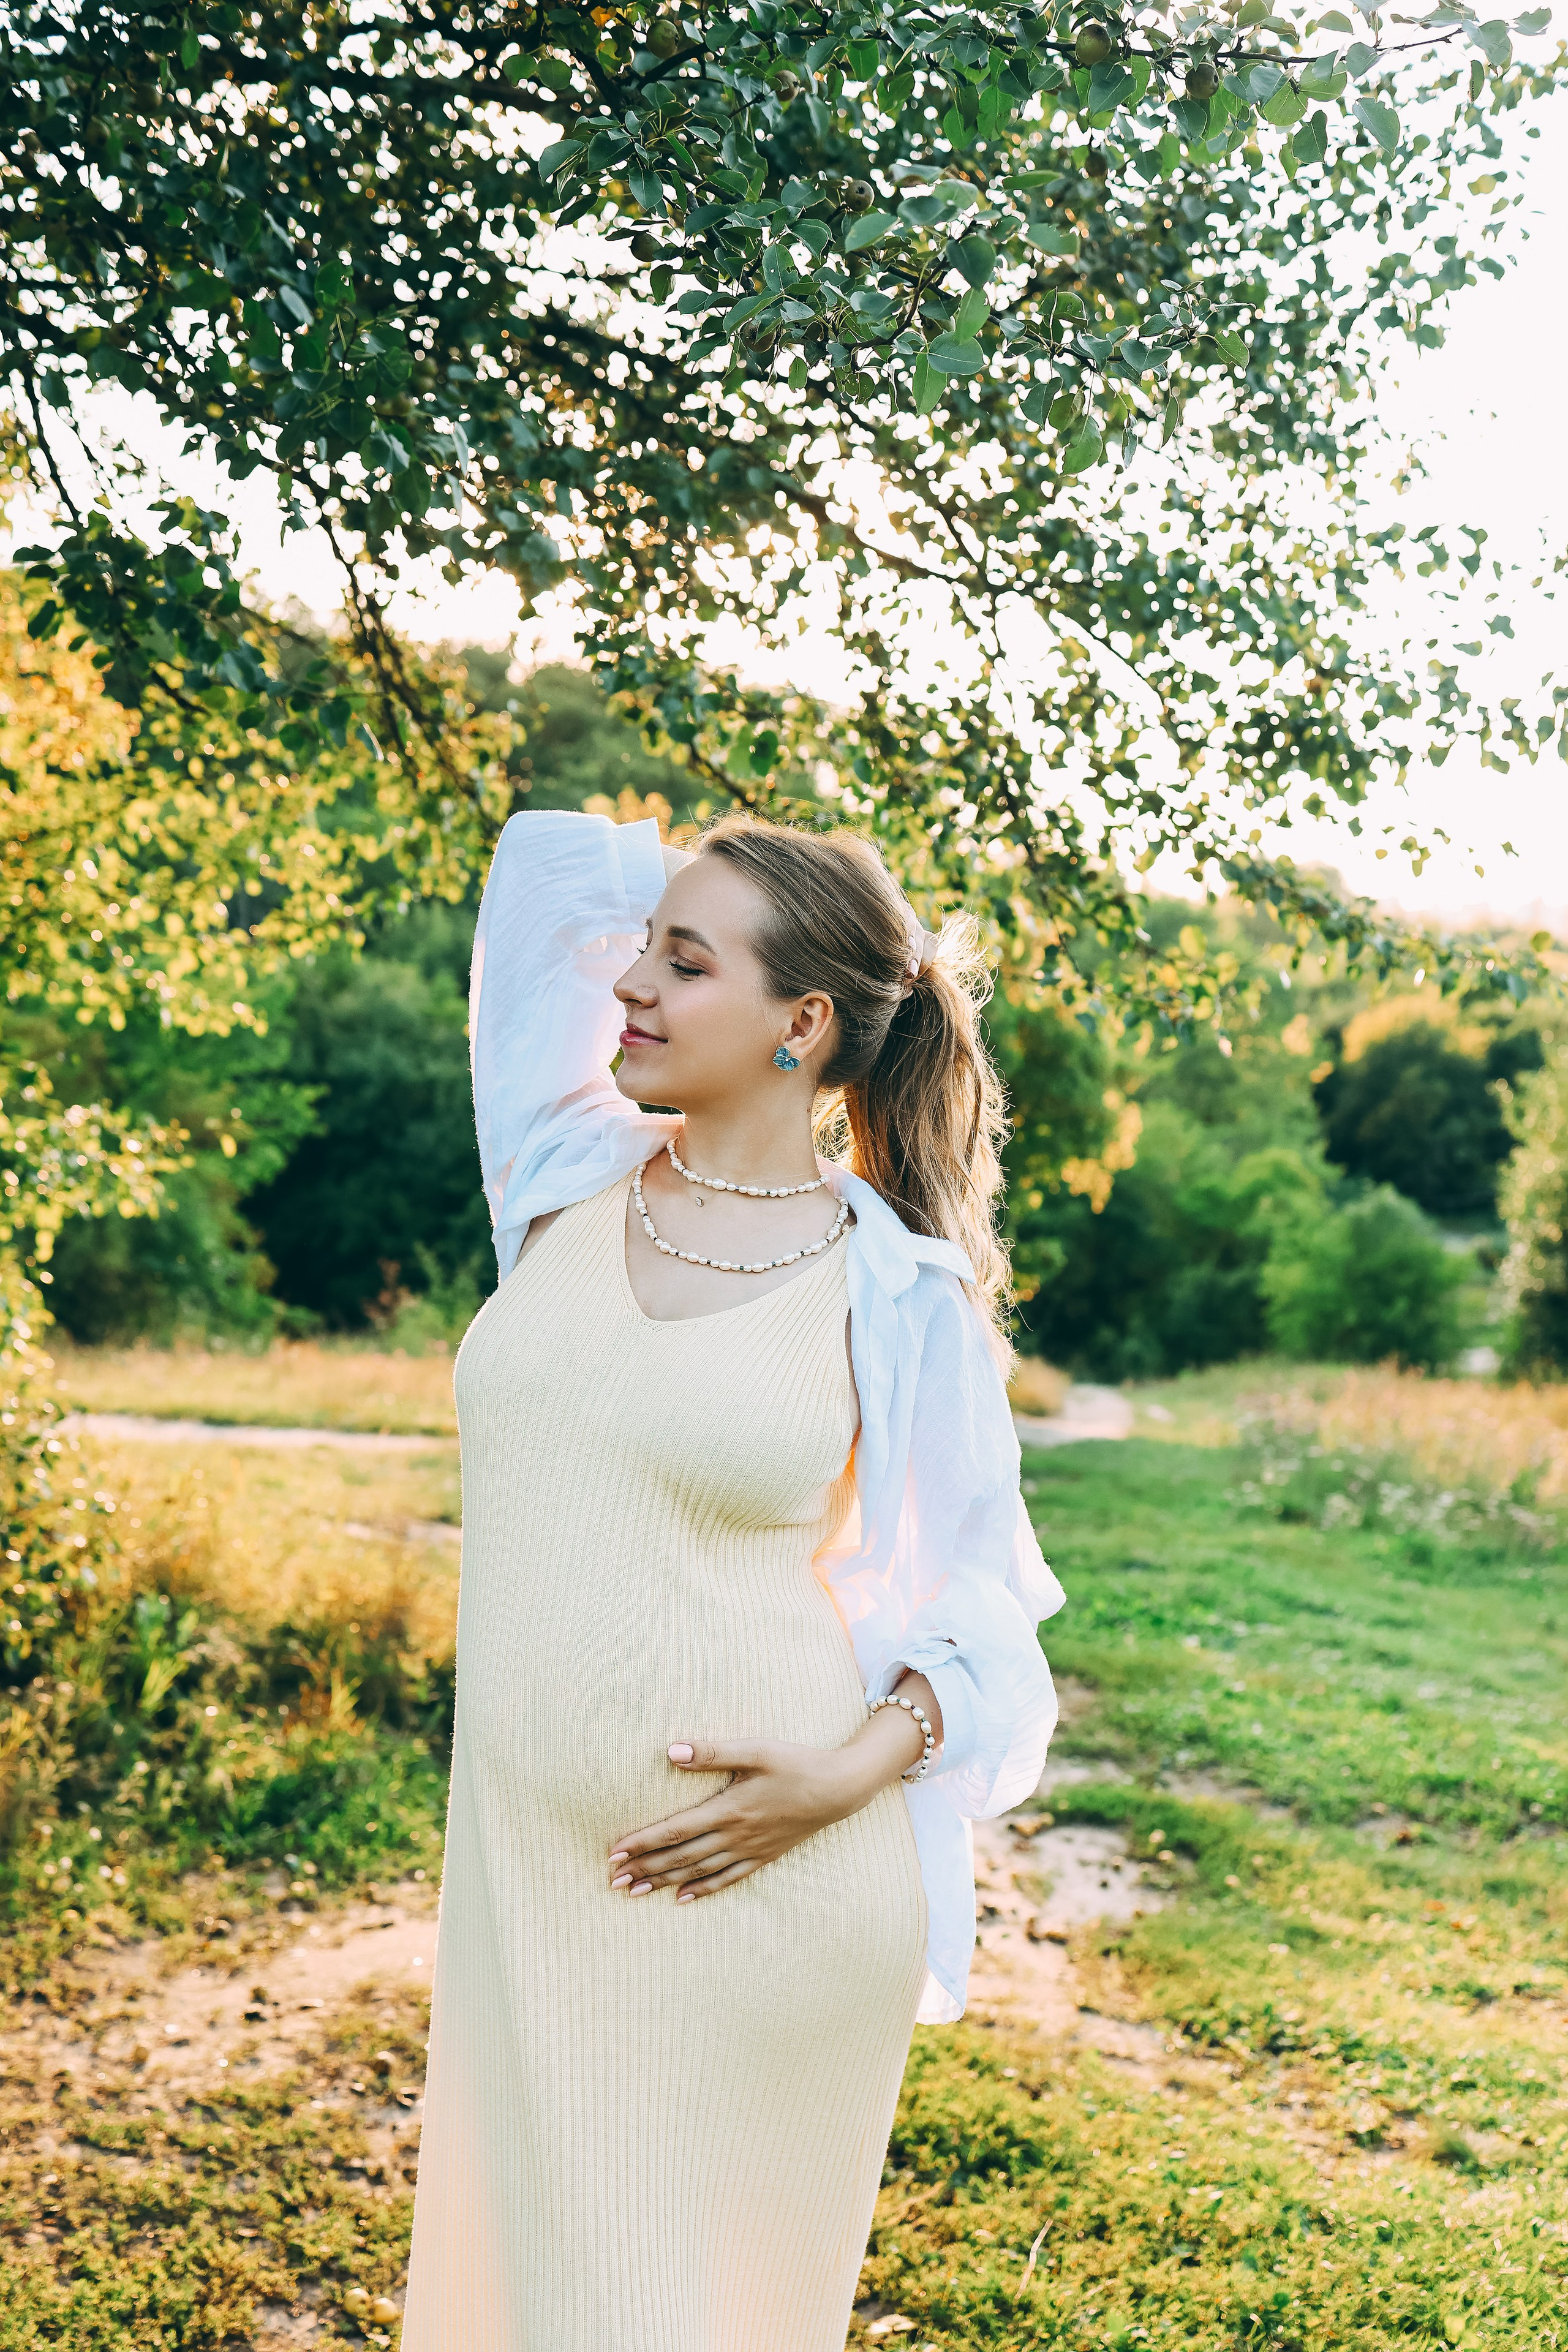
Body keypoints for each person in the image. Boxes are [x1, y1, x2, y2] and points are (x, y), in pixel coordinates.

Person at [401, 807, 1064, 2352]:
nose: (627, 983)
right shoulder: (564, 1179)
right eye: (640, 951)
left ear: (804, 1024)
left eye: (682, 965)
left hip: (760, 1895)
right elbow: (540, 865)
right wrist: (714, 891)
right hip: (528, 1895)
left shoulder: (896, 1289)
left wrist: (840, 1775)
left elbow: (991, 1618)